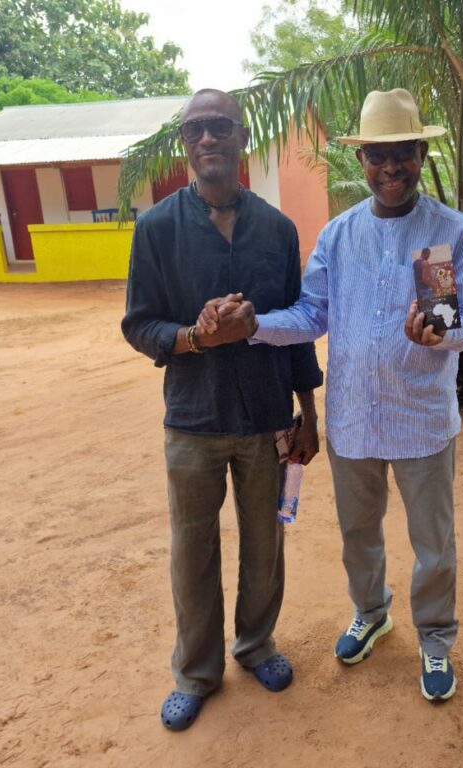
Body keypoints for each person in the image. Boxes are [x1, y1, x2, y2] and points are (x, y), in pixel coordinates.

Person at [198, 88, 463, 702]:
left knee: (433, 543)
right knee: (359, 535)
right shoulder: (338, 235)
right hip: (354, 419)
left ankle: (435, 639)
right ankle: (371, 613)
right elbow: (311, 314)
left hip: (422, 419)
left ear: (420, 154)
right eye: (378, 155)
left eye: (402, 153)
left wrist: (442, 333)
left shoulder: (447, 231)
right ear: (362, 161)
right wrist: (255, 325)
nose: (391, 167)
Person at [121, 89, 323, 731]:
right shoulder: (156, 229)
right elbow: (139, 324)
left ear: (242, 136)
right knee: (192, 551)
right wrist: (195, 336)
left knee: (265, 543)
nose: (207, 138)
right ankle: (196, 671)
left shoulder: (277, 229)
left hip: (267, 417)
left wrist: (307, 412)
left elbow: (296, 328)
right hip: (193, 421)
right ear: (185, 143)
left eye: (219, 127)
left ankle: (256, 645)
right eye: (195, 130)